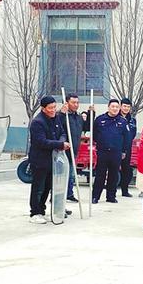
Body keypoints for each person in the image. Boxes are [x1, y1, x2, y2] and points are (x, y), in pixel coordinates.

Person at [28, 96, 70, 224]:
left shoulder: (55, 118)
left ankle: (42, 210)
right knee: (38, 188)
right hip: (39, 160)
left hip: (53, 160)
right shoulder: (37, 122)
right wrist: (60, 144)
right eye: (50, 108)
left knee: (47, 187)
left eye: (54, 107)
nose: (53, 110)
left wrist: (61, 142)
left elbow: (62, 133)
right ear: (43, 108)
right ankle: (35, 213)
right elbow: (41, 142)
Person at [92, 99, 130, 204]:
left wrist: (124, 151)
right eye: (113, 106)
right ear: (108, 107)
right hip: (103, 152)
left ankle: (111, 196)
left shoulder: (123, 121)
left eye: (117, 107)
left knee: (113, 175)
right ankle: (95, 196)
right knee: (100, 175)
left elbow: (127, 138)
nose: (115, 109)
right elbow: (95, 134)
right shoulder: (100, 119)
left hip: (116, 152)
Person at [58, 93, 86, 203]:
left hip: (74, 150)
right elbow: (57, 126)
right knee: (61, 175)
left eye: (77, 102)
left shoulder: (78, 117)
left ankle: (69, 194)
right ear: (67, 103)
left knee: (71, 174)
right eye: (73, 102)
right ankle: (57, 195)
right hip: (63, 150)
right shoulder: (61, 115)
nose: (76, 105)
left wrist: (91, 114)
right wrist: (62, 114)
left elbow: (86, 127)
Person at [118, 97, 137, 198]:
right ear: (121, 106)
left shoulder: (132, 120)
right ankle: (111, 192)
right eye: (124, 106)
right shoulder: (116, 118)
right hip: (116, 147)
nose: (126, 108)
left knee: (127, 170)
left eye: (128, 107)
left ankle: (124, 190)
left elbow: (133, 133)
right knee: (114, 169)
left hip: (127, 148)